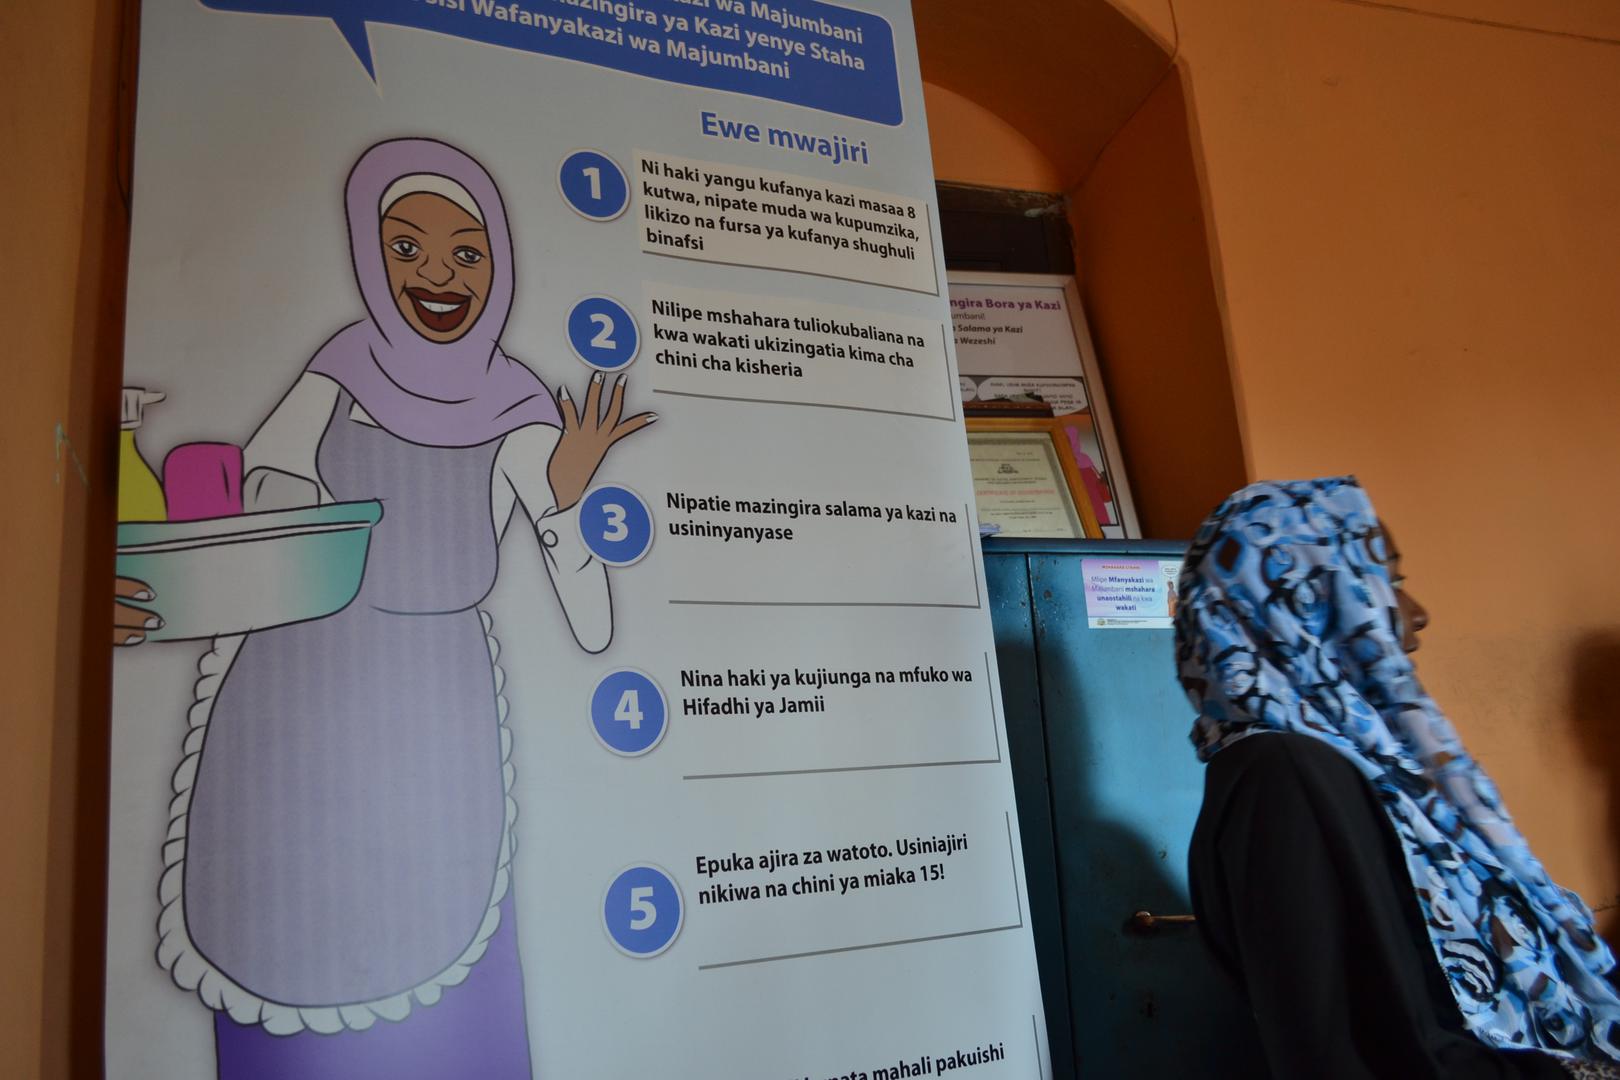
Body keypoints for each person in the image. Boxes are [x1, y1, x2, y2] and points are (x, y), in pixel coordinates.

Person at [121, 138, 653, 1079]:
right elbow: (258, 528)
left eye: (466, 251)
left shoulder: (522, 414)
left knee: (440, 973)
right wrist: (158, 597)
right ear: (370, 257)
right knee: (270, 947)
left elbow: (595, 625)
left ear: (499, 264)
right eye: (405, 248)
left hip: (432, 750)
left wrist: (566, 497)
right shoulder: (336, 373)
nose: (438, 275)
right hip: (278, 729)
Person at [1176, 477, 1620, 1079]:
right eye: (1391, 579)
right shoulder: (1280, 778)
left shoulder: (1356, 768)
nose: (1419, 613)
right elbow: (1341, 1049)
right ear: (1304, 600)